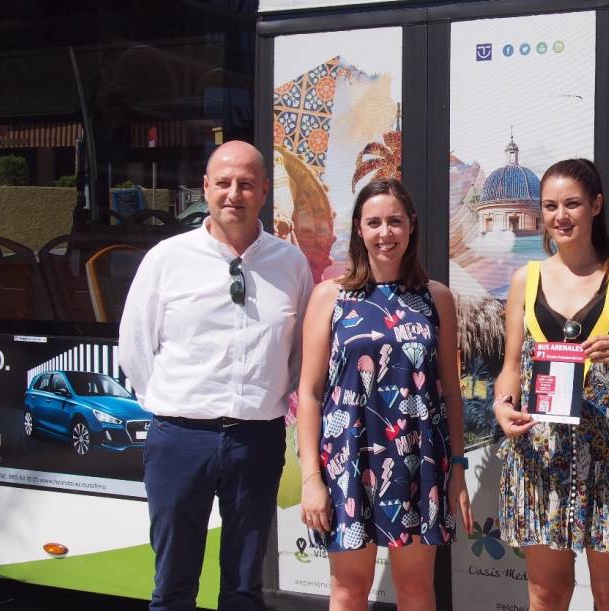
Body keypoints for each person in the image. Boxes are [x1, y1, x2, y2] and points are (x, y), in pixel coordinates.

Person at [119, 140, 314, 610]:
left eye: (246, 184)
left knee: (244, 588)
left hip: (256, 440)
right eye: (223, 183)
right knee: (173, 587)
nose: (234, 193)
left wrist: (266, 399)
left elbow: (300, 351)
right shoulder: (167, 259)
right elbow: (135, 347)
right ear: (205, 188)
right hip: (179, 441)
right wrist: (172, 401)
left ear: (264, 190)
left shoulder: (290, 263)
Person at [296, 179, 473, 611]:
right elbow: (311, 392)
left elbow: (450, 393)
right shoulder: (330, 297)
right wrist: (311, 479)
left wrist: (458, 470)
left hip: (419, 461)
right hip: (348, 459)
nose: (384, 232)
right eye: (374, 222)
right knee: (348, 590)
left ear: (411, 226)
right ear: (358, 228)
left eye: (394, 221)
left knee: (415, 589)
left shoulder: (437, 299)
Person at [494, 159, 609, 611]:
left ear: (596, 206)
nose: (560, 216)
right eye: (550, 206)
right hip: (541, 454)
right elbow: (511, 366)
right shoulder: (525, 280)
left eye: (572, 204)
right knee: (547, 595)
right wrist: (503, 405)